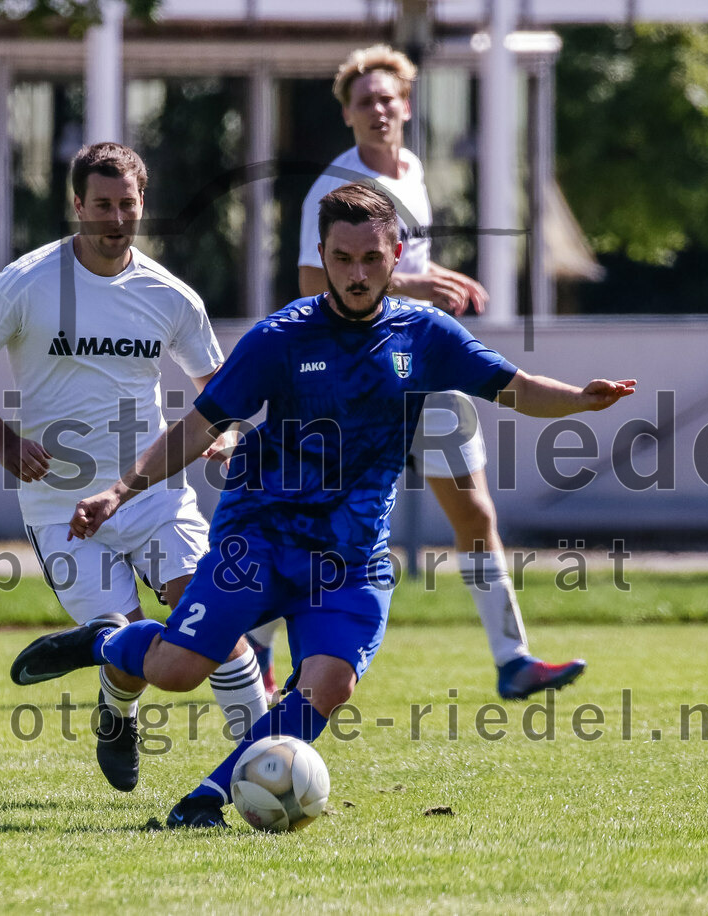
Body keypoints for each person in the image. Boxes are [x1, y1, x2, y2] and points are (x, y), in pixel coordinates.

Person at [9, 183, 636, 828]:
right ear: (322, 256)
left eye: (370, 258)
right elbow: (198, 425)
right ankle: (110, 642)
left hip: (350, 555)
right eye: (342, 259)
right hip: (258, 537)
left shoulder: (425, 336)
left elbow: (517, 388)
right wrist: (120, 490)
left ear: (396, 253)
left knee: (329, 685)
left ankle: (207, 799)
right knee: (176, 671)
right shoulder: (280, 338)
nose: (357, 274)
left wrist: (580, 400)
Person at [245, 44, 584, 702]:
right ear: (346, 112)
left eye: (388, 98)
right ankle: (254, 646)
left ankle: (513, 659)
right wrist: (419, 283)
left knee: (474, 511)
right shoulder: (335, 189)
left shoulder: (412, 169)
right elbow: (314, 283)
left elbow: (393, 278)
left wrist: (416, 293)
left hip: (418, 365)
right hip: (353, 378)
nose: (378, 109)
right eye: (365, 100)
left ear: (406, 104)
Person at [0, 142, 266, 793]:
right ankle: (117, 715)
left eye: (127, 205)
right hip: (59, 504)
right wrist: (4, 442)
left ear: (142, 205)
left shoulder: (169, 296)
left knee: (211, 618)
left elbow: (219, 389)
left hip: (152, 492)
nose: (115, 219)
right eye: (101, 206)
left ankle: (268, 760)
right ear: (77, 206)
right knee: (126, 642)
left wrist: (225, 434)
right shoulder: (26, 282)